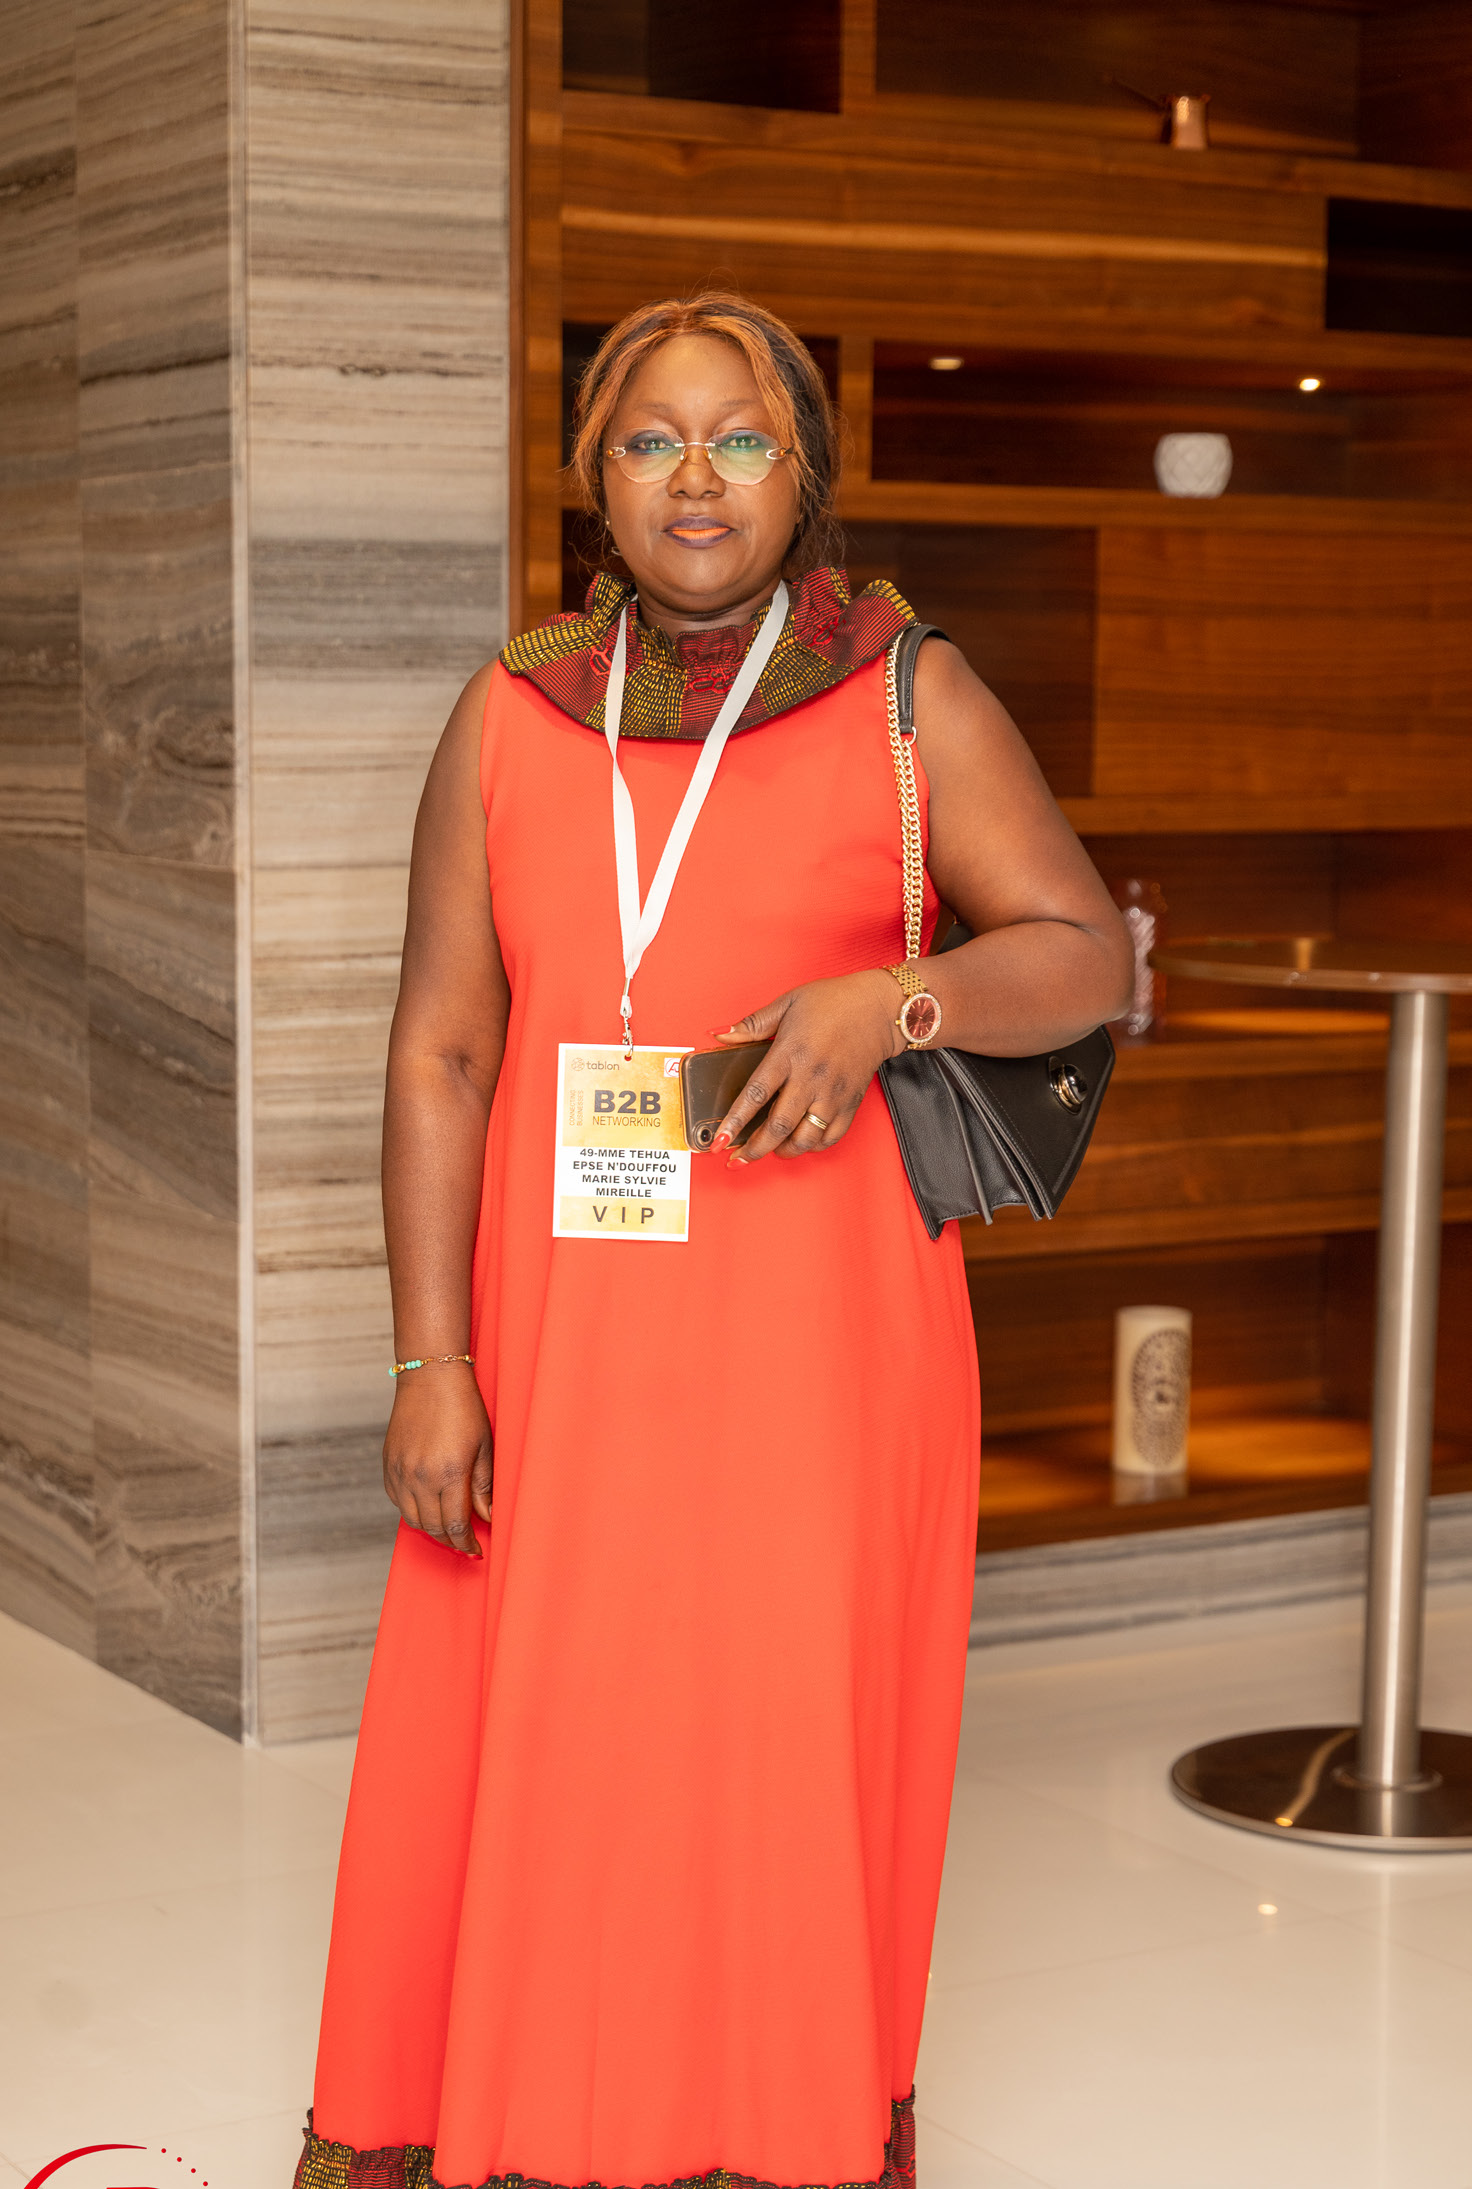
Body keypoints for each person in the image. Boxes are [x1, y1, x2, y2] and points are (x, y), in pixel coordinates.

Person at [294, 292, 1131, 2189]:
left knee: (767, 1741)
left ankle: (767, 2134)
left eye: (741, 438)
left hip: (821, 1340)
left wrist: (888, 1003)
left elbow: (1085, 955)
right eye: (652, 439)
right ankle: (524, 2126)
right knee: (553, 1729)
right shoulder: (510, 716)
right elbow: (440, 1051)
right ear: (591, 478)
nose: (697, 478)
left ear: (802, 473)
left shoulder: (906, 691)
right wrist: (432, 1359)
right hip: (561, 1331)